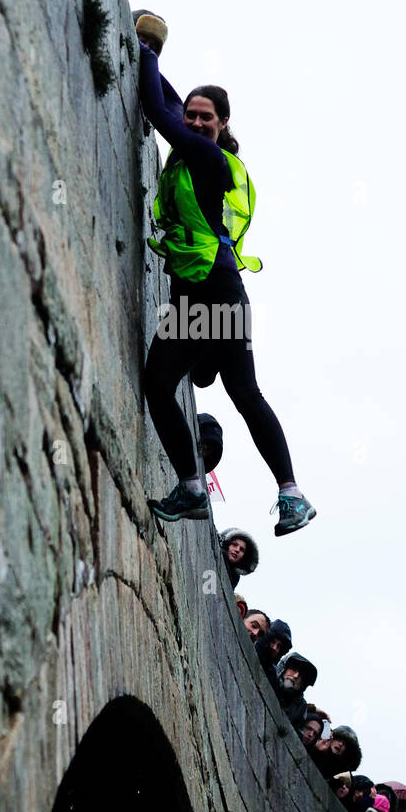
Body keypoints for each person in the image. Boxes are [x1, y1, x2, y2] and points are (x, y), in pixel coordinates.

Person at [137, 39, 316, 536]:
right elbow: (171, 106)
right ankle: (199, 490)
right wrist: (147, 48)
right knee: (166, 386)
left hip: (214, 292)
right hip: (199, 294)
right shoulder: (193, 149)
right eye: (193, 116)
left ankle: (288, 495)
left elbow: (158, 109)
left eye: (206, 118)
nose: (195, 123)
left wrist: (148, 54)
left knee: (237, 391)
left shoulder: (205, 157)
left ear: (222, 126)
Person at [275, 652, 318, 729]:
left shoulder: (300, 708)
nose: (295, 676)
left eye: (301, 675)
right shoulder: (269, 676)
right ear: (284, 669)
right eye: (293, 669)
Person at [254, 619, 292, 688]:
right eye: (273, 642)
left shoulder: (273, 677)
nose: (274, 648)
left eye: (279, 646)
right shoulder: (250, 646)